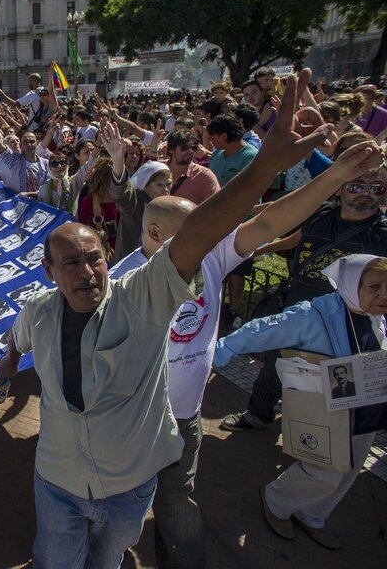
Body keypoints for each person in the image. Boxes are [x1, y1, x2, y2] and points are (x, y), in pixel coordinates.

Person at [0, 70, 335, 569]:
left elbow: (224, 230)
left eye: (96, 259)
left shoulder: (140, 296)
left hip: (137, 475)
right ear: (49, 272)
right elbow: (17, 340)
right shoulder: (38, 314)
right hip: (59, 484)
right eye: (71, 263)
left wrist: (277, 168)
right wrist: (7, 364)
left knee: (124, 547)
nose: (88, 272)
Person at [107, 139, 381, 568]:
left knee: (178, 500)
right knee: (122, 505)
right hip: (132, 419)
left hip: (184, 416)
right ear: (156, 234)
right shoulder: (119, 283)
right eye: (194, 231)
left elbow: (270, 222)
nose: (208, 238)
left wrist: (338, 176)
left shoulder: (211, 255)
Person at [214, 255, 387, 550]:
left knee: (350, 469)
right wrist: (209, 357)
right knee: (325, 468)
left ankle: (313, 515)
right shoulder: (313, 315)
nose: (384, 295)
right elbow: (262, 330)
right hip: (328, 410)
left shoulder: (377, 316)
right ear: (349, 283)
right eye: (374, 287)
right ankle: (277, 500)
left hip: (367, 409)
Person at [220, 161, 387, 431]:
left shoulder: (383, 234)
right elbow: (281, 216)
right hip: (297, 306)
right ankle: (258, 413)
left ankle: (322, 439)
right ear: (340, 189)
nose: (365, 193)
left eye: (376, 188)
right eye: (356, 185)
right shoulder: (318, 213)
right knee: (275, 363)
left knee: (335, 383)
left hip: (345, 325)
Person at [162, 130, 220, 204]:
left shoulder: (203, 175)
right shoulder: (157, 169)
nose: (190, 151)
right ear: (171, 150)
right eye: (184, 147)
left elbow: (217, 204)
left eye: (193, 147)